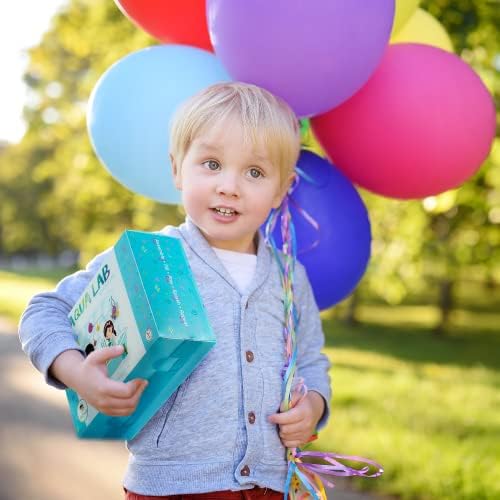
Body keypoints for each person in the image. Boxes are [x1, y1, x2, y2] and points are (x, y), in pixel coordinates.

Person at [19, 82, 331, 499]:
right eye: (212, 164)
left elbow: (310, 358)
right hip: (172, 487)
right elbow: (44, 309)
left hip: (271, 486)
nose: (229, 186)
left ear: (281, 189)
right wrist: (76, 373)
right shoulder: (153, 257)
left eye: (254, 172)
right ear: (177, 169)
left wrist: (313, 405)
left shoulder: (290, 277)